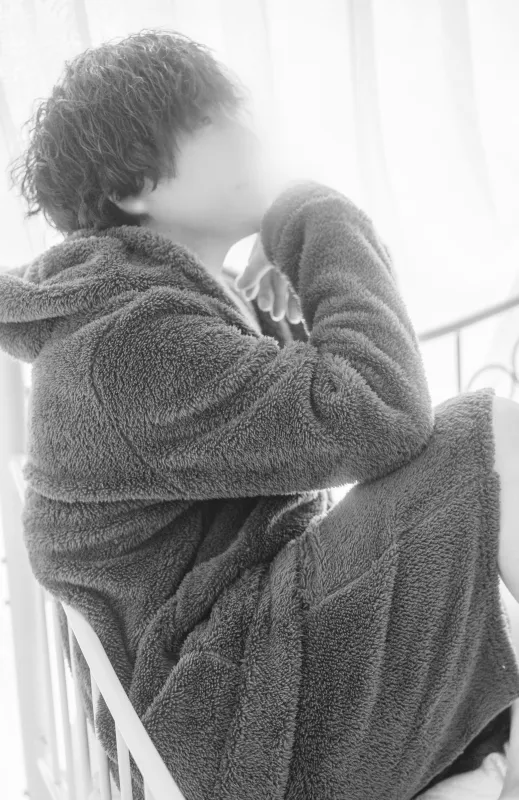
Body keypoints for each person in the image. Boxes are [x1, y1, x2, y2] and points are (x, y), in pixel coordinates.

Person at [2, 28, 519, 800]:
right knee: (491, 437)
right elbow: (381, 411)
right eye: (216, 121)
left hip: (231, 699)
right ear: (136, 183)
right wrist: (313, 215)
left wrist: (287, 307)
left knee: (485, 510)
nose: (252, 136)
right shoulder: (131, 342)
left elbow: (328, 431)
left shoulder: (146, 312)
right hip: (231, 726)